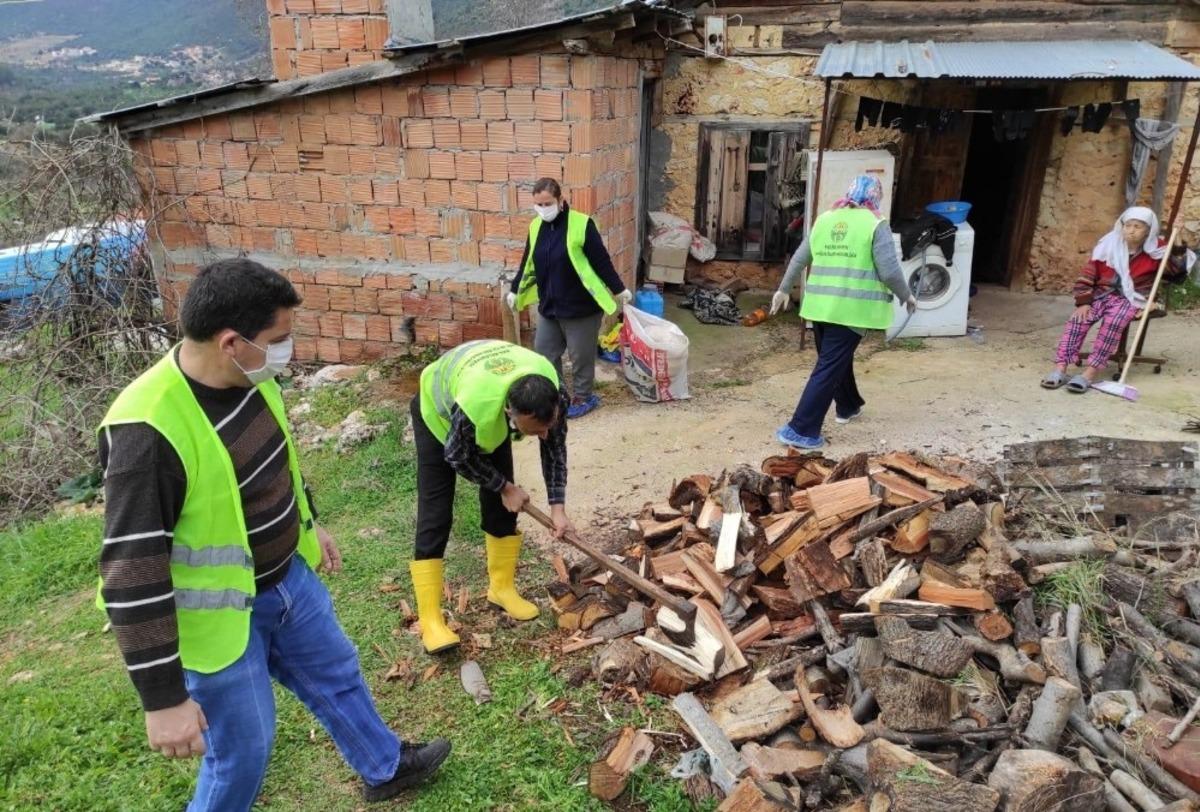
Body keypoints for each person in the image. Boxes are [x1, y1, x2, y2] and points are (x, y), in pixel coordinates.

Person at [97, 259, 449, 811]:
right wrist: (162, 700)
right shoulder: (147, 433)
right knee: (243, 752)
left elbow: (275, 461)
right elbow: (130, 575)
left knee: (338, 675)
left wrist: (309, 523)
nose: (287, 350)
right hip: (220, 623)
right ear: (232, 341)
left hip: (290, 582)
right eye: (279, 339)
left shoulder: (251, 378)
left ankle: (385, 768)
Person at [409, 339, 575, 654]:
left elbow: (554, 448)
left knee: (503, 509)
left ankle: (501, 588)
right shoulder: (478, 408)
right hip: (437, 413)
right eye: (533, 429)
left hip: (488, 401)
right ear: (511, 412)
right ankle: (430, 618)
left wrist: (558, 508)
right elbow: (457, 456)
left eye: (547, 425)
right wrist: (505, 486)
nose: (543, 434)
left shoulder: (553, 393)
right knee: (436, 512)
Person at [769, 174, 916, 449]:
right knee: (828, 367)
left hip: (820, 307)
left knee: (835, 360)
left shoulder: (825, 219)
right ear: (875, 197)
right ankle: (800, 430)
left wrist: (784, 289)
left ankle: (847, 406)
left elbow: (801, 257)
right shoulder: (876, 224)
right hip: (851, 310)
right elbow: (889, 271)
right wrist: (907, 295)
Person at [506, 177, 633, 419]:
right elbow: (528, 260)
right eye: (538, 205)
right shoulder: (535, 227)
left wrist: (619, 289)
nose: (543, 209)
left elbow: (600, 260)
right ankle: (558, 393)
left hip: (581, 307)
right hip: (550, 306)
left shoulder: (581, 224)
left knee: (580, 357)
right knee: (544, 353)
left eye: (547, 203)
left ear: (560, 200)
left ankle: (584, 397)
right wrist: (515, 289)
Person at [1042, 206, 1193, 393]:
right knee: (1077, 320)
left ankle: (1089, 373)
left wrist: (1177, 236)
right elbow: (1088, 274)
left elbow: (1177, 271)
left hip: (1133, 299)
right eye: (1128, 225)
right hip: (1101, 295)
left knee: (1114, 322)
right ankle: (1060, 368)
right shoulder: (1108, 245)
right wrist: (1084, 302)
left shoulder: (1156, 250)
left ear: (1148, 231)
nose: (1131, 230)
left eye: (1138, 226)